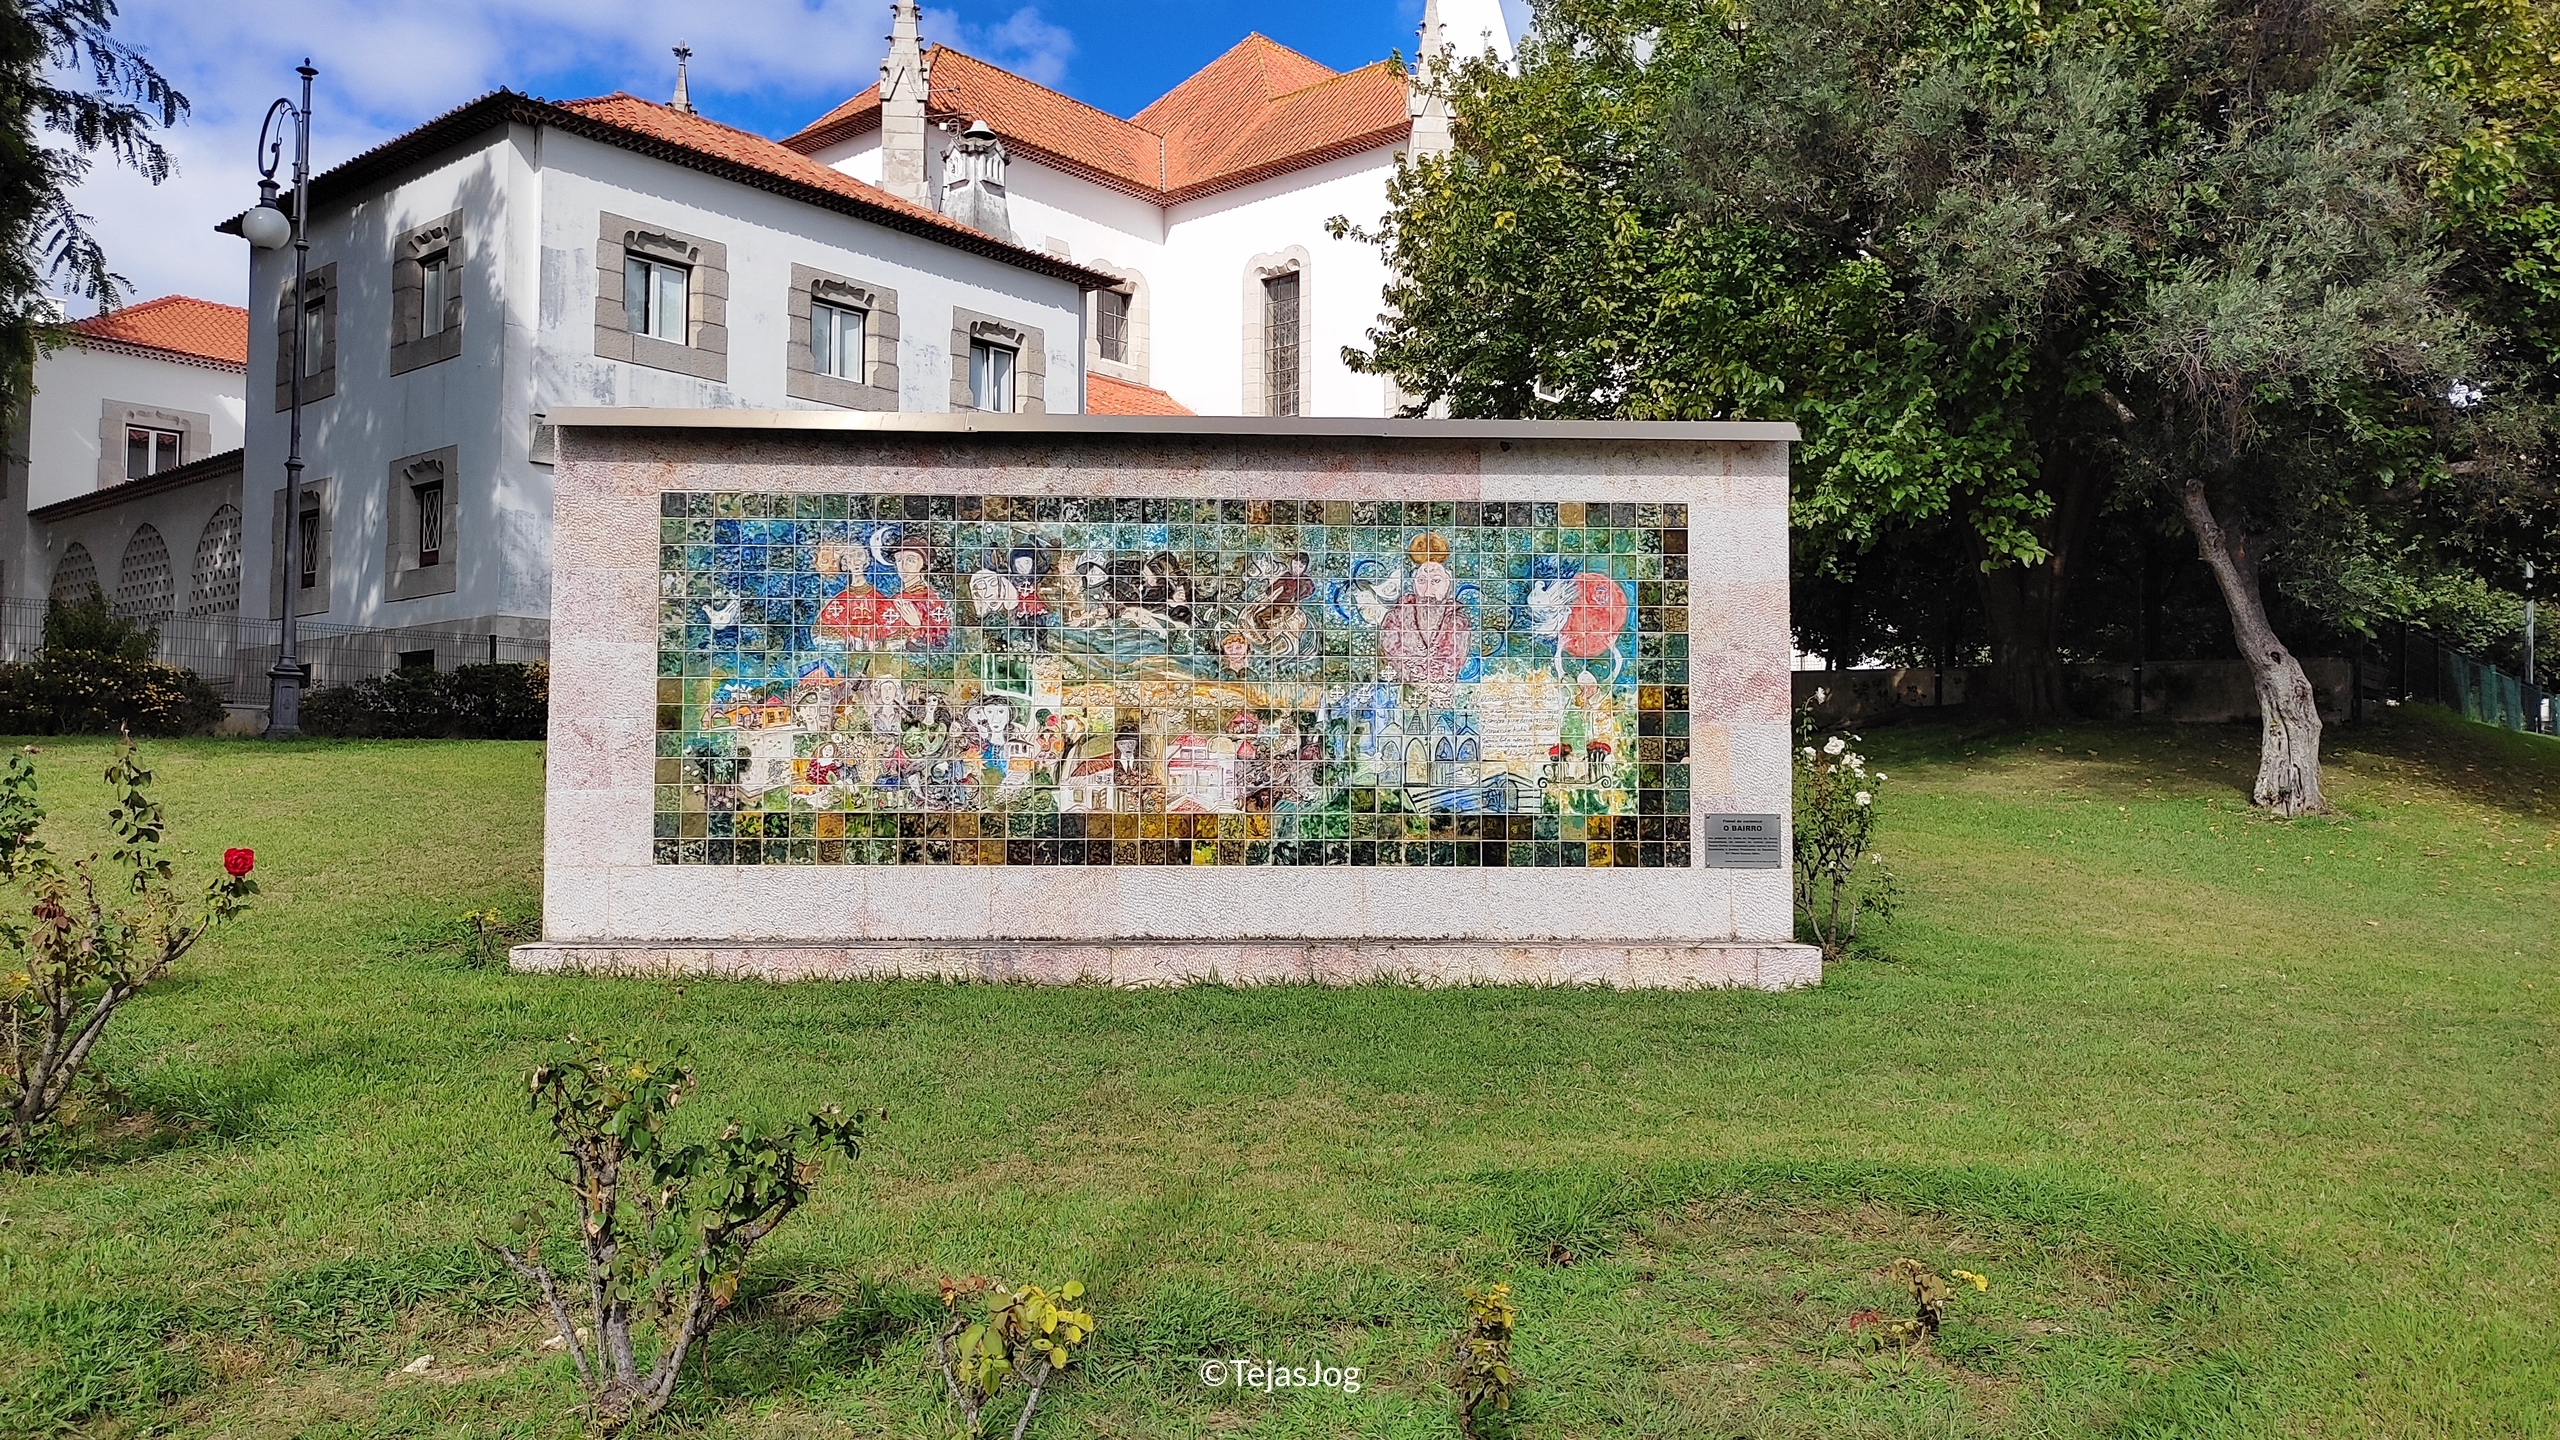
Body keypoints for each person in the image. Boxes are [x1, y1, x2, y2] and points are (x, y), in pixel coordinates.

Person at [1378, 534, 1471, 700]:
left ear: (1449, 581)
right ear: (1413, 580)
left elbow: (1450, 665)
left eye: (1436, 581)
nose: (1428, 591)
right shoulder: (1394, 618)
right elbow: (1393, 657)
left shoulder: (1458, 622)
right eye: (1421, 580)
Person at [821, 534, 951, 651]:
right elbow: (880, 641)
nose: (903, 566)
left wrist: (918, 626)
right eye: (899, 560)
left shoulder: (932, 601)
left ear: (924, 566)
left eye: (910, 560)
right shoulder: (894, 601)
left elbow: (941, 646)